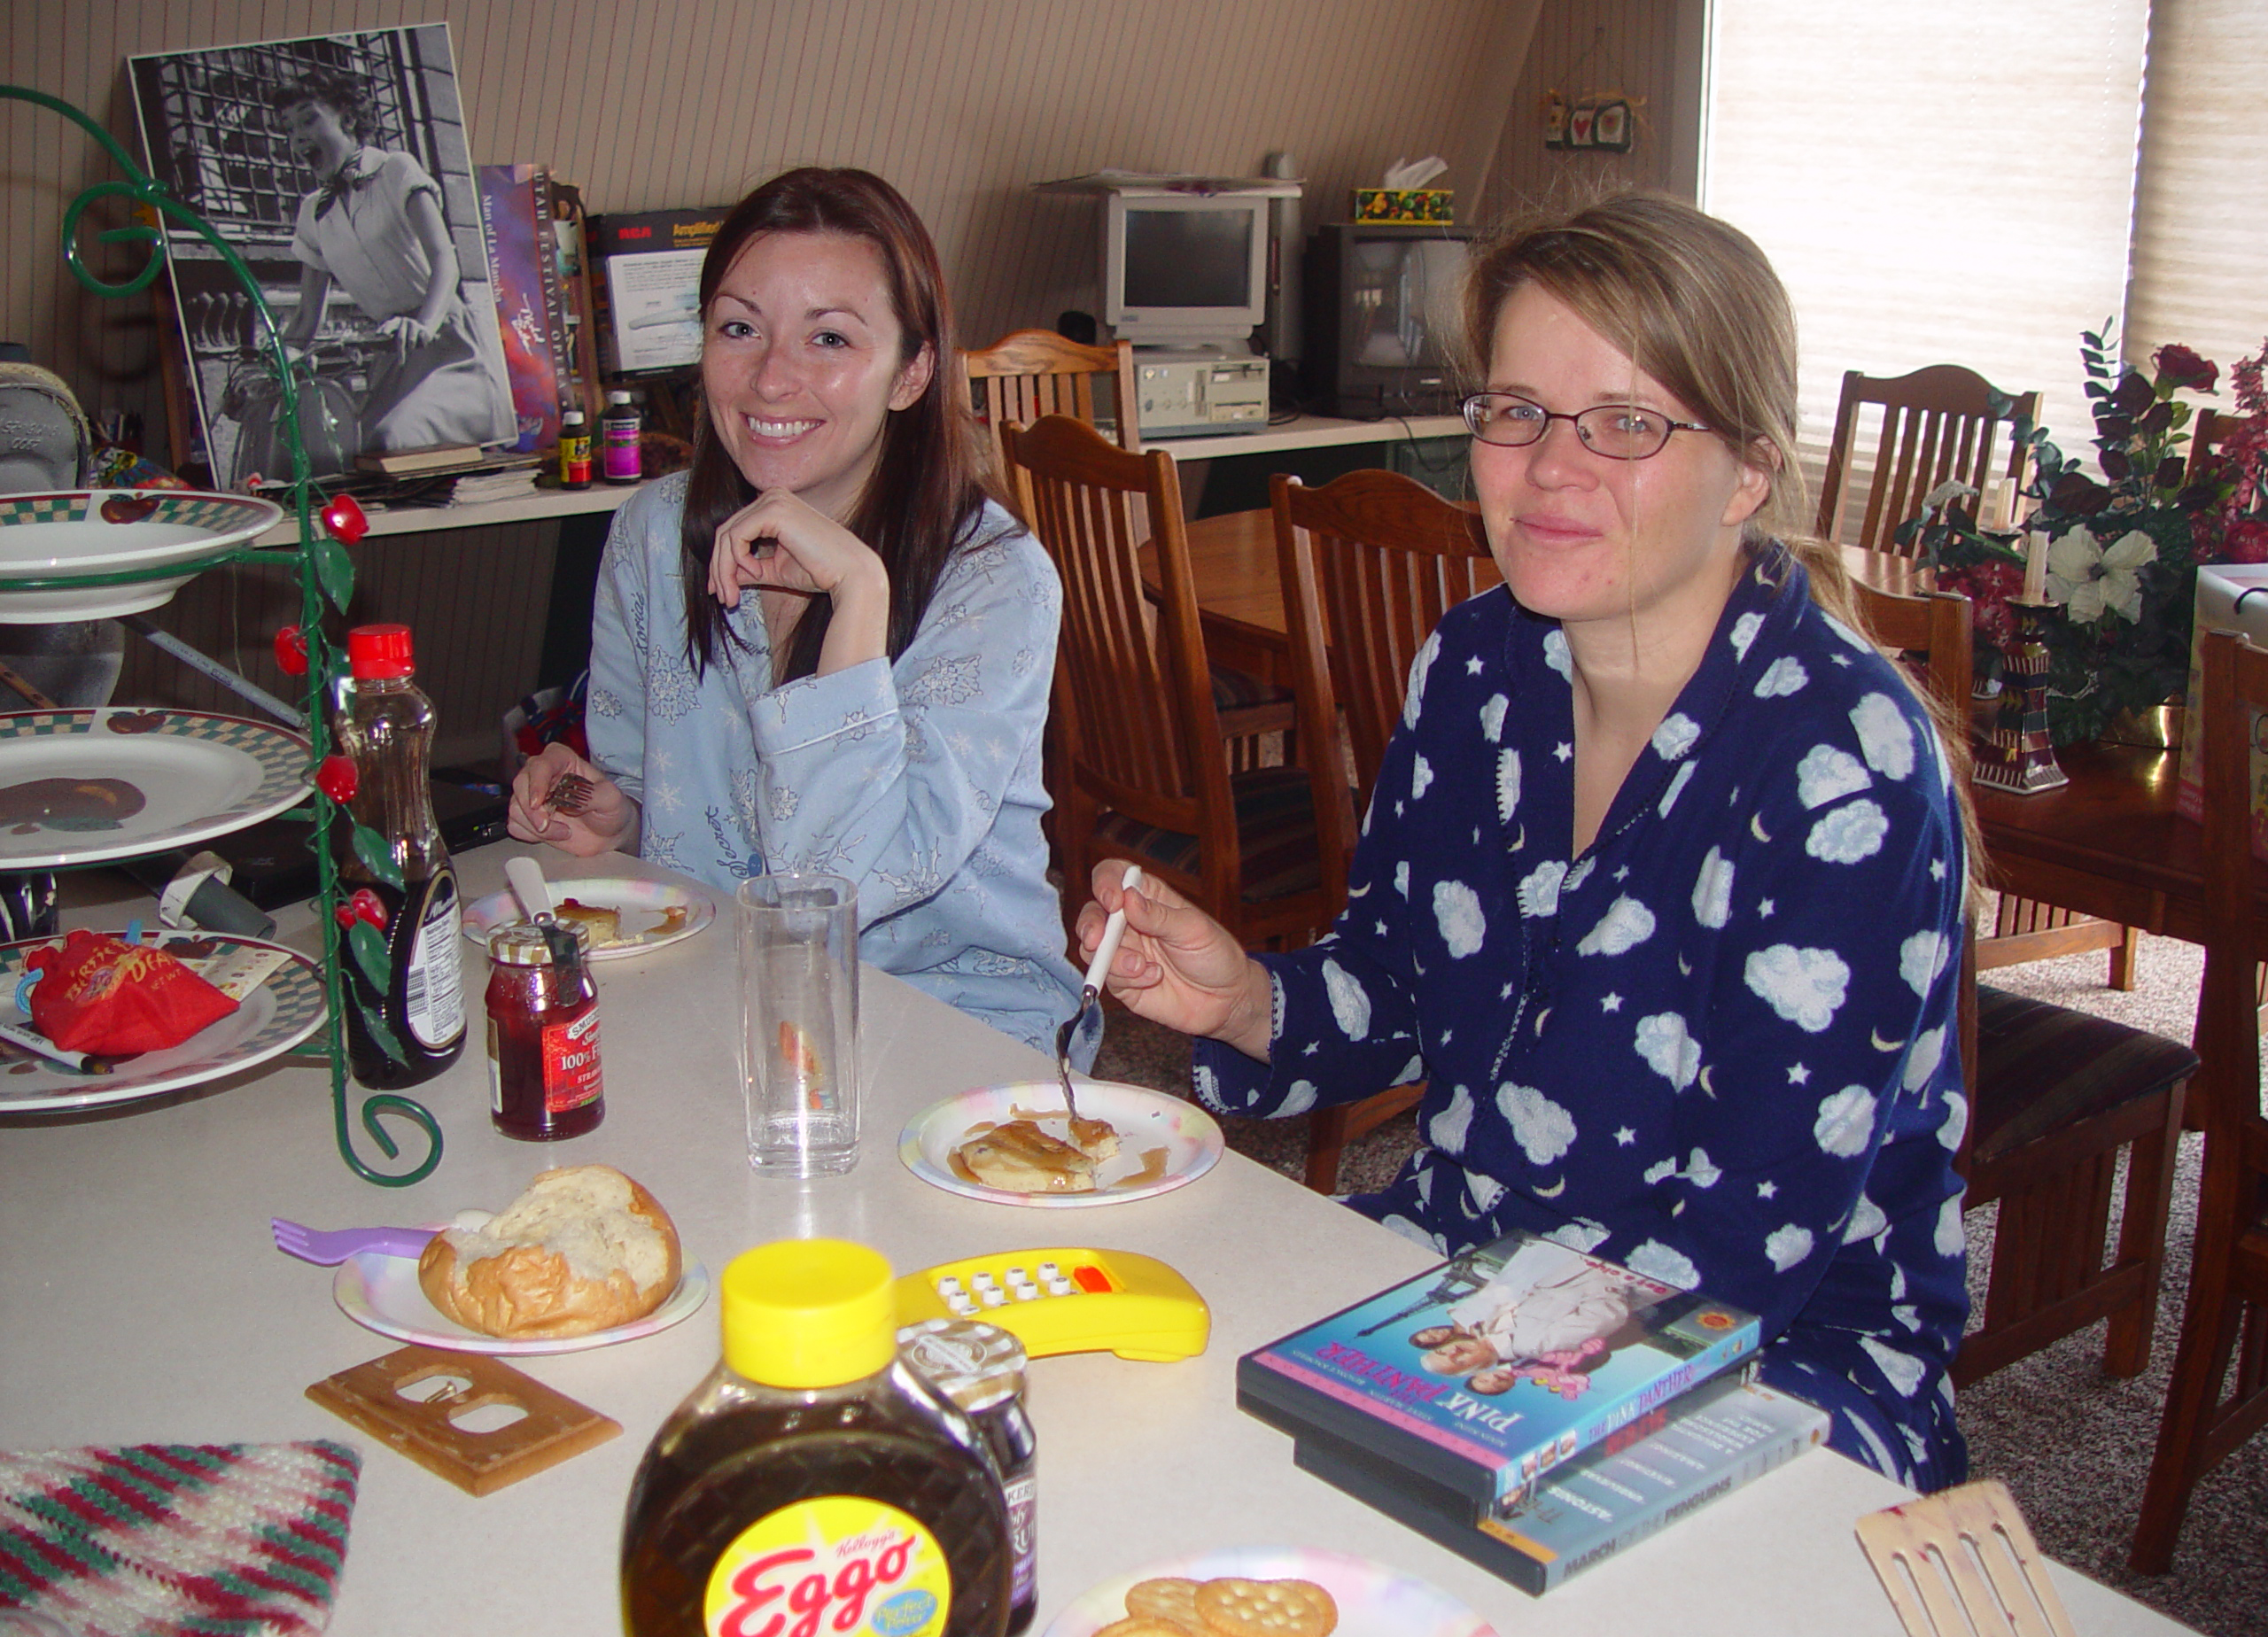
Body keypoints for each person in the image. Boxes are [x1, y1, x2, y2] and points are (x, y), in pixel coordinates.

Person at [1077, 192, 1971, 1490]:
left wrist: (1413, 1377)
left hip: (1777, 1357)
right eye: (1516, 412)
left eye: (1626, 424)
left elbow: (1740, 1254)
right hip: (1473, 1254)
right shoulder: (1478, 666)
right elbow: (1398, 987)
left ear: (1754, 470)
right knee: (1146, 1422)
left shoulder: (1842, 770)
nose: (1552, 469)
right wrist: (1247, 998)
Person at [510, 167, 1082, 1059]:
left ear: (911, 372)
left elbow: (840, 881)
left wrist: (858, 594)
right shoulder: (651, 536)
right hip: (717, 994)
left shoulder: (993, 580)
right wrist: (612, 817)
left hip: (950, 1024)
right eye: (740, 328)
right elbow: (646, 799)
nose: (772, 379)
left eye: (828, 338)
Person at [272, 69, 514, 458]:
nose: (296, 136)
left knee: (390, 441)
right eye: (288, 128)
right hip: (392, 357)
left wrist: (422, 325)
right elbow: (304, 318)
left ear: (348, 119)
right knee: (344, 453)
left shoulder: (395, 170)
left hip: (446, 343)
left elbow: (444, 259)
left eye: (308, 119)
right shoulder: (312, 212)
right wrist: (274, 365)